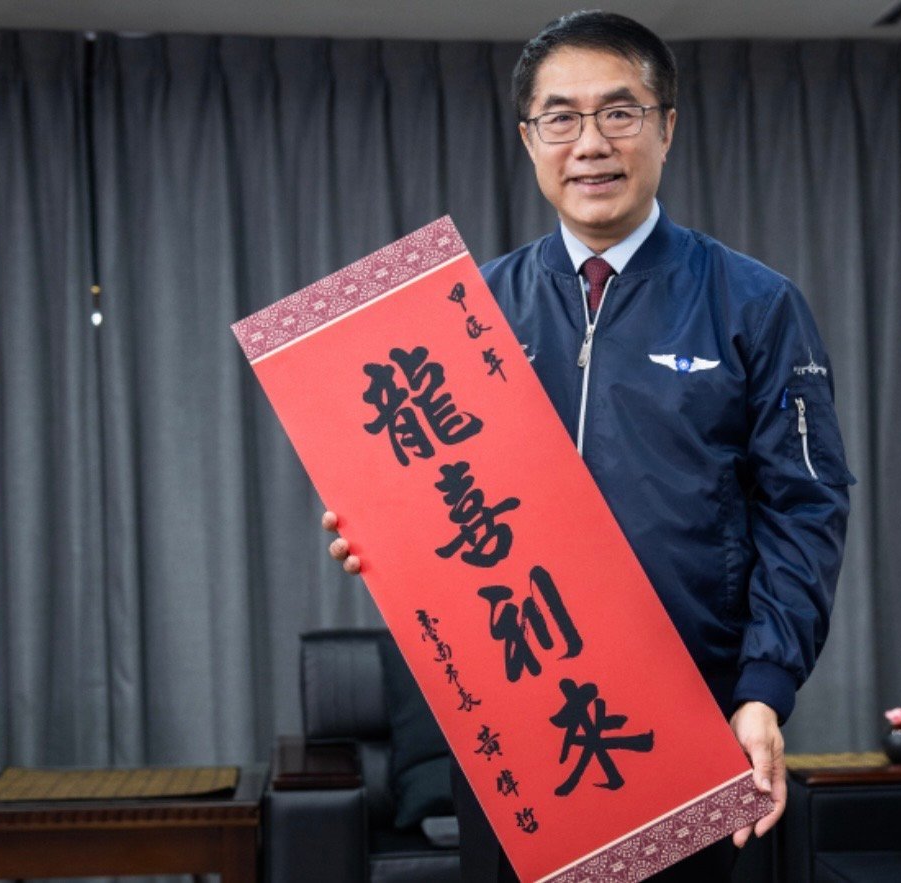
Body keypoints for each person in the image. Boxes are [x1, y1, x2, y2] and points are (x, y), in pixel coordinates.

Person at [325, 10, 854, 881]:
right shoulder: (467, 311)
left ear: (666, 127)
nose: (590, 143)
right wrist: (380, 530)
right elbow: (438, 492)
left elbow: (806, 508)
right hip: (511, 715)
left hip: (689, 714)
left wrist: (763, 689)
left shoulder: (754, 303)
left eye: (618, 112)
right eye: (560, 118)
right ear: (528, 138)